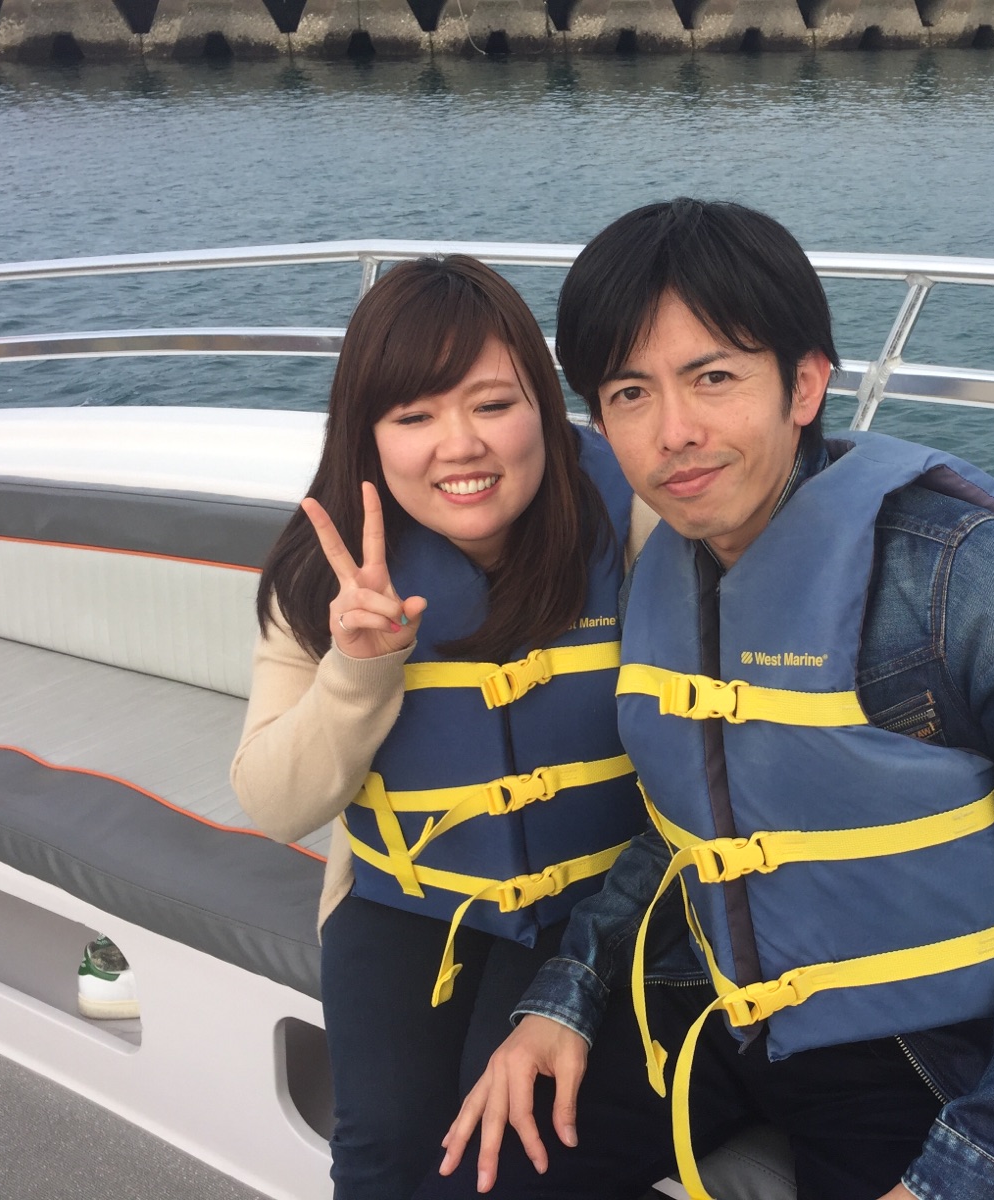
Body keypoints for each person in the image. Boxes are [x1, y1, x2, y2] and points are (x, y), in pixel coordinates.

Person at [432, 201, 994, 1200]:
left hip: (913, 1043)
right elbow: (689, 828)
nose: (674, 433)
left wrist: (971, 1168)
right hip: (709, 998)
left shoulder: (959, 581)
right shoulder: (665, 570)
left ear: (804, 383)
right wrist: (567, 993)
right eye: (630, 393)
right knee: (477, 1174)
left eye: (713, 377)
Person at [230, 256, 651, 1200]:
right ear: (367, 434)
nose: (460, 446)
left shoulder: (634, 523)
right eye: (413, 417)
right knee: (379, 1157)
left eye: (493, 405)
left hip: (596, 902)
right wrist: (357, 669)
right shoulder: (321, 569)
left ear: (543, 404)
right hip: (404, 900)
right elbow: (273, 803)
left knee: (494, 1161)